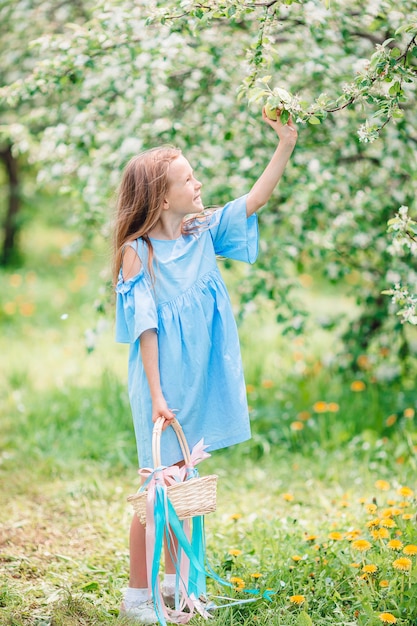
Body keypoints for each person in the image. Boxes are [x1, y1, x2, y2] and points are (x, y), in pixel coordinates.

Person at [113, 108, 297, 624]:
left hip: (198, 376)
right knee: (157, 488)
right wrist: (156, 396)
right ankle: (138, 598)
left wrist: (285, 143)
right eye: (187, 179)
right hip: (163, 382)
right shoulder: (139, 253)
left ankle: (180, 586)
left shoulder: (202, 233)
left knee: (183, 484)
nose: (198, 184)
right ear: (160, 197)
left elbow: (254, 200)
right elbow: (145, 330)